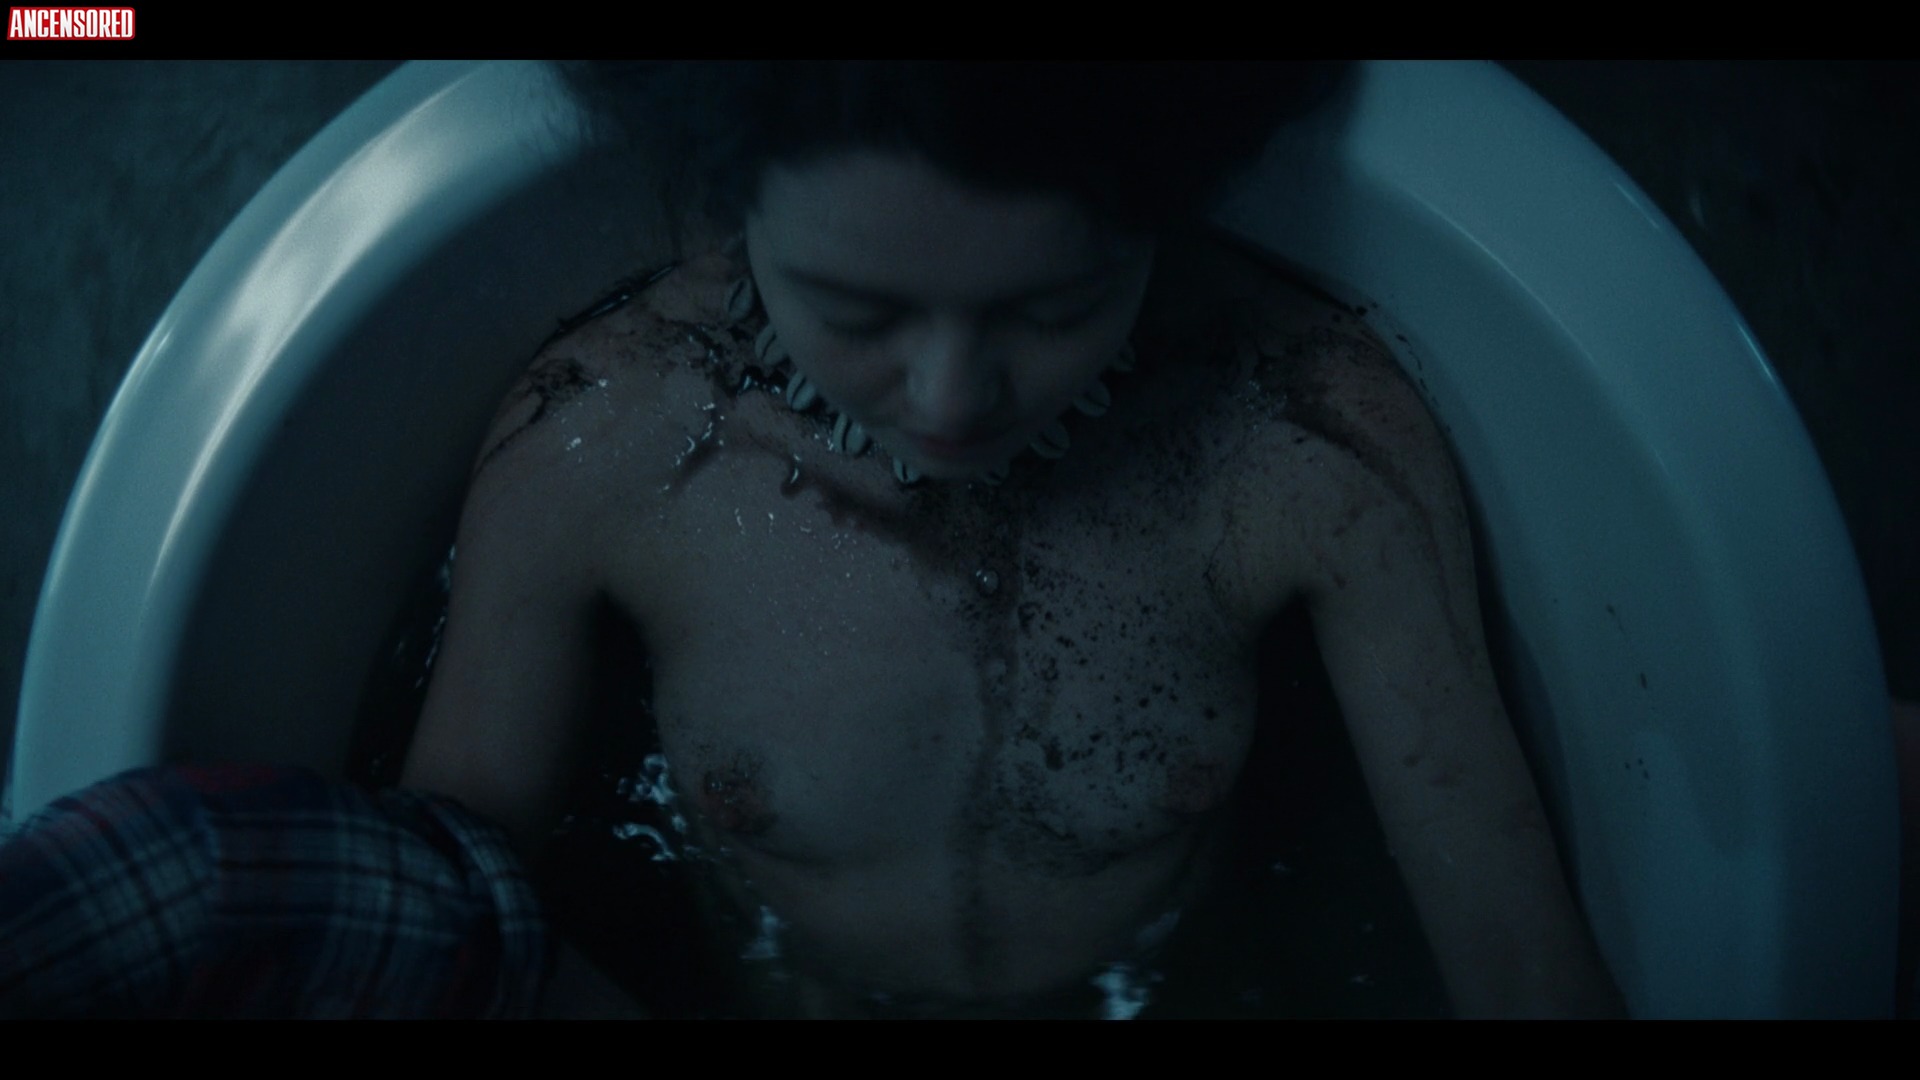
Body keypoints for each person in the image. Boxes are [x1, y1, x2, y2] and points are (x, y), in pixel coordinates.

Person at [395, 61, 1625, 1018]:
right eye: (858, 312)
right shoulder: (604, 444)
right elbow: (442, 924)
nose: (952, 399)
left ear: (1165, 206)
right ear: (730, 199)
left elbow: (1516, 956)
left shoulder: (1299, 440)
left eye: (1054, 306)